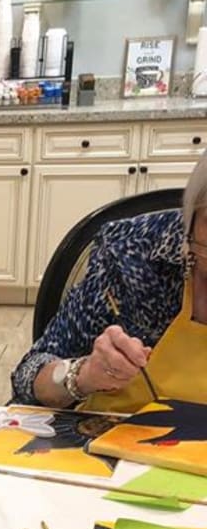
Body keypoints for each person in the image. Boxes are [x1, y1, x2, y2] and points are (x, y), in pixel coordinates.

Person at [11, 149, 207, 413]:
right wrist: (83, 375)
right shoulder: (130, 254)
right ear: (191, 219)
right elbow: (29, 377)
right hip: (111, 438)